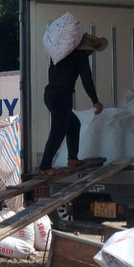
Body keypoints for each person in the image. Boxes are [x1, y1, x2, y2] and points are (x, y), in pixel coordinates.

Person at [38, 33, 107, 175]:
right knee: (58, 131)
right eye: (92, 51)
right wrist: (95, 101)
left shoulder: (61, 54)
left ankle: (72, 158)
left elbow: (52, 72)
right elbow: (87, 80)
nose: (91, 54)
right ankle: (44, 166)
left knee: (73, 124)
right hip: (62, 95)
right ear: (87, 49)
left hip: (50, 94)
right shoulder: (80, 57)